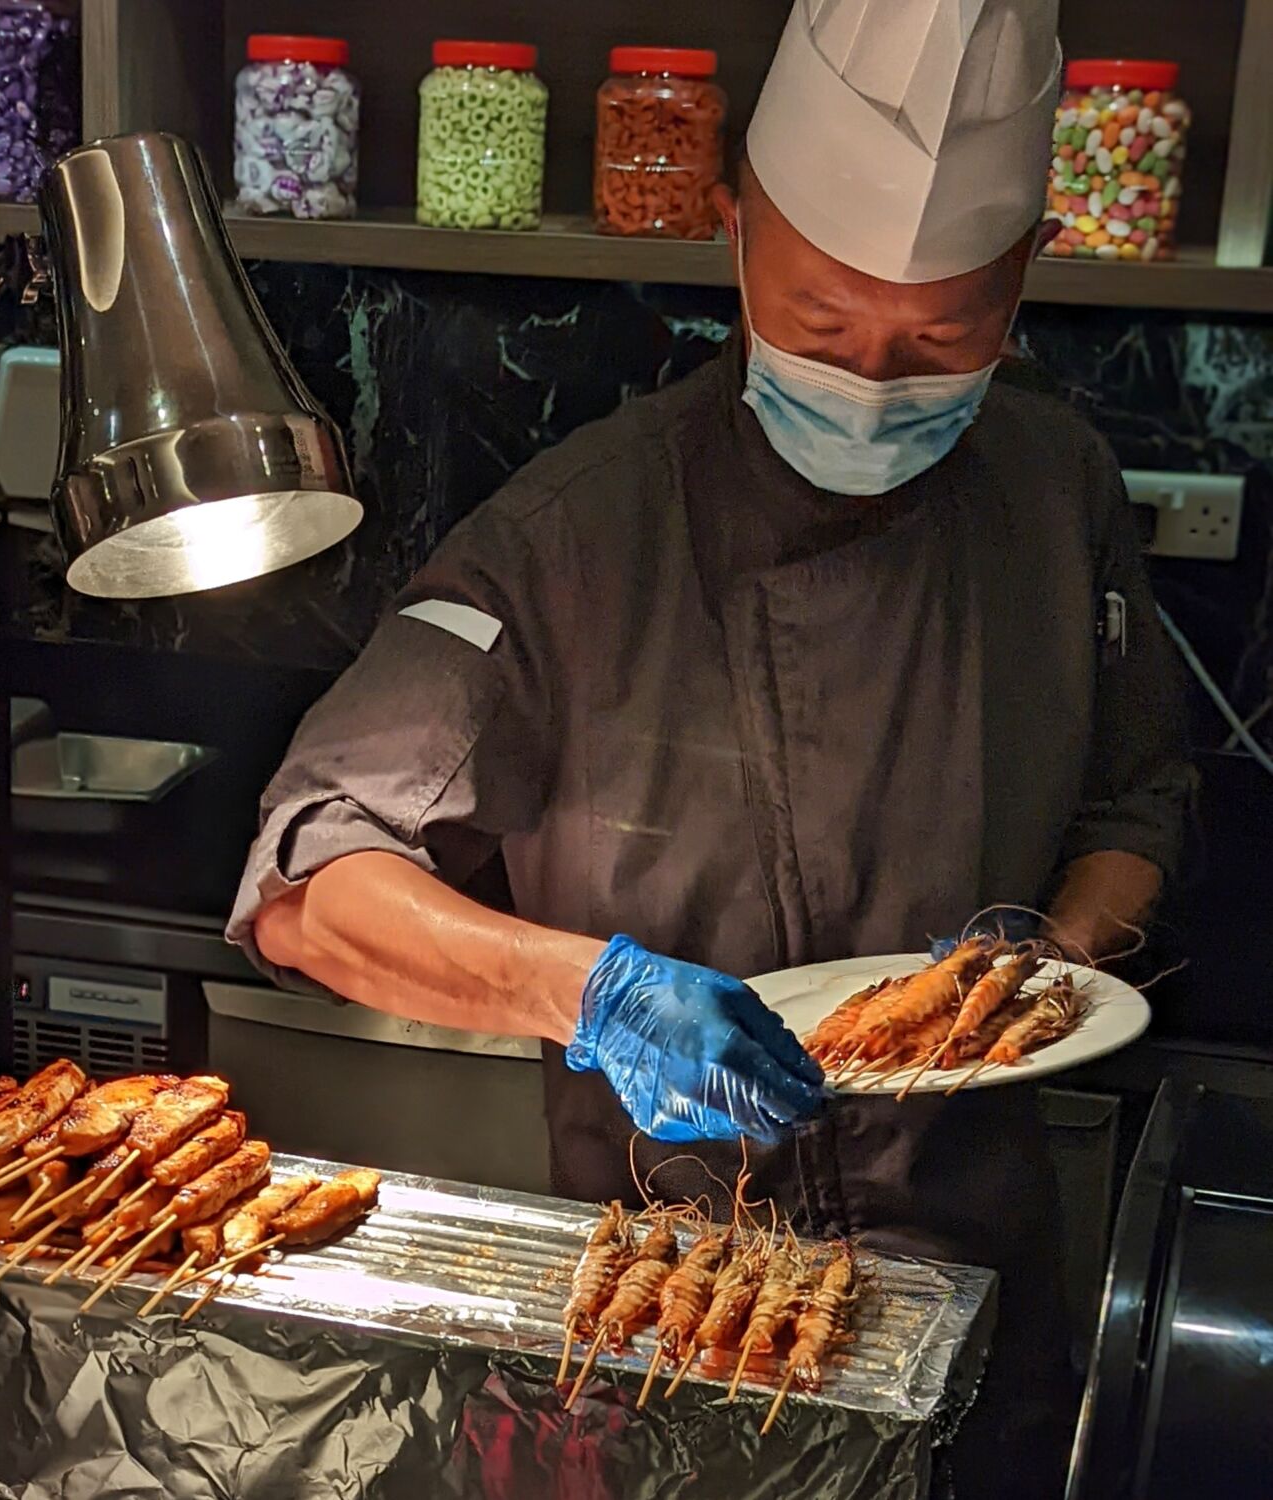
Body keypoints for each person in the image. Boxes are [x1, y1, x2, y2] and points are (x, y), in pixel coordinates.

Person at [228, 1, 1191, 1491]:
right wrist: (595, 996)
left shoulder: (1059, 491)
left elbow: (1137, 798)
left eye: (940, 340)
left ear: (1029, 271)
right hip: (668, 1308)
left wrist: (1044, 970)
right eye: (820, 326)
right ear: (736, 234)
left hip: (983, 1298)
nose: (871, 383)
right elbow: (310, 885)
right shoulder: (576, 534)